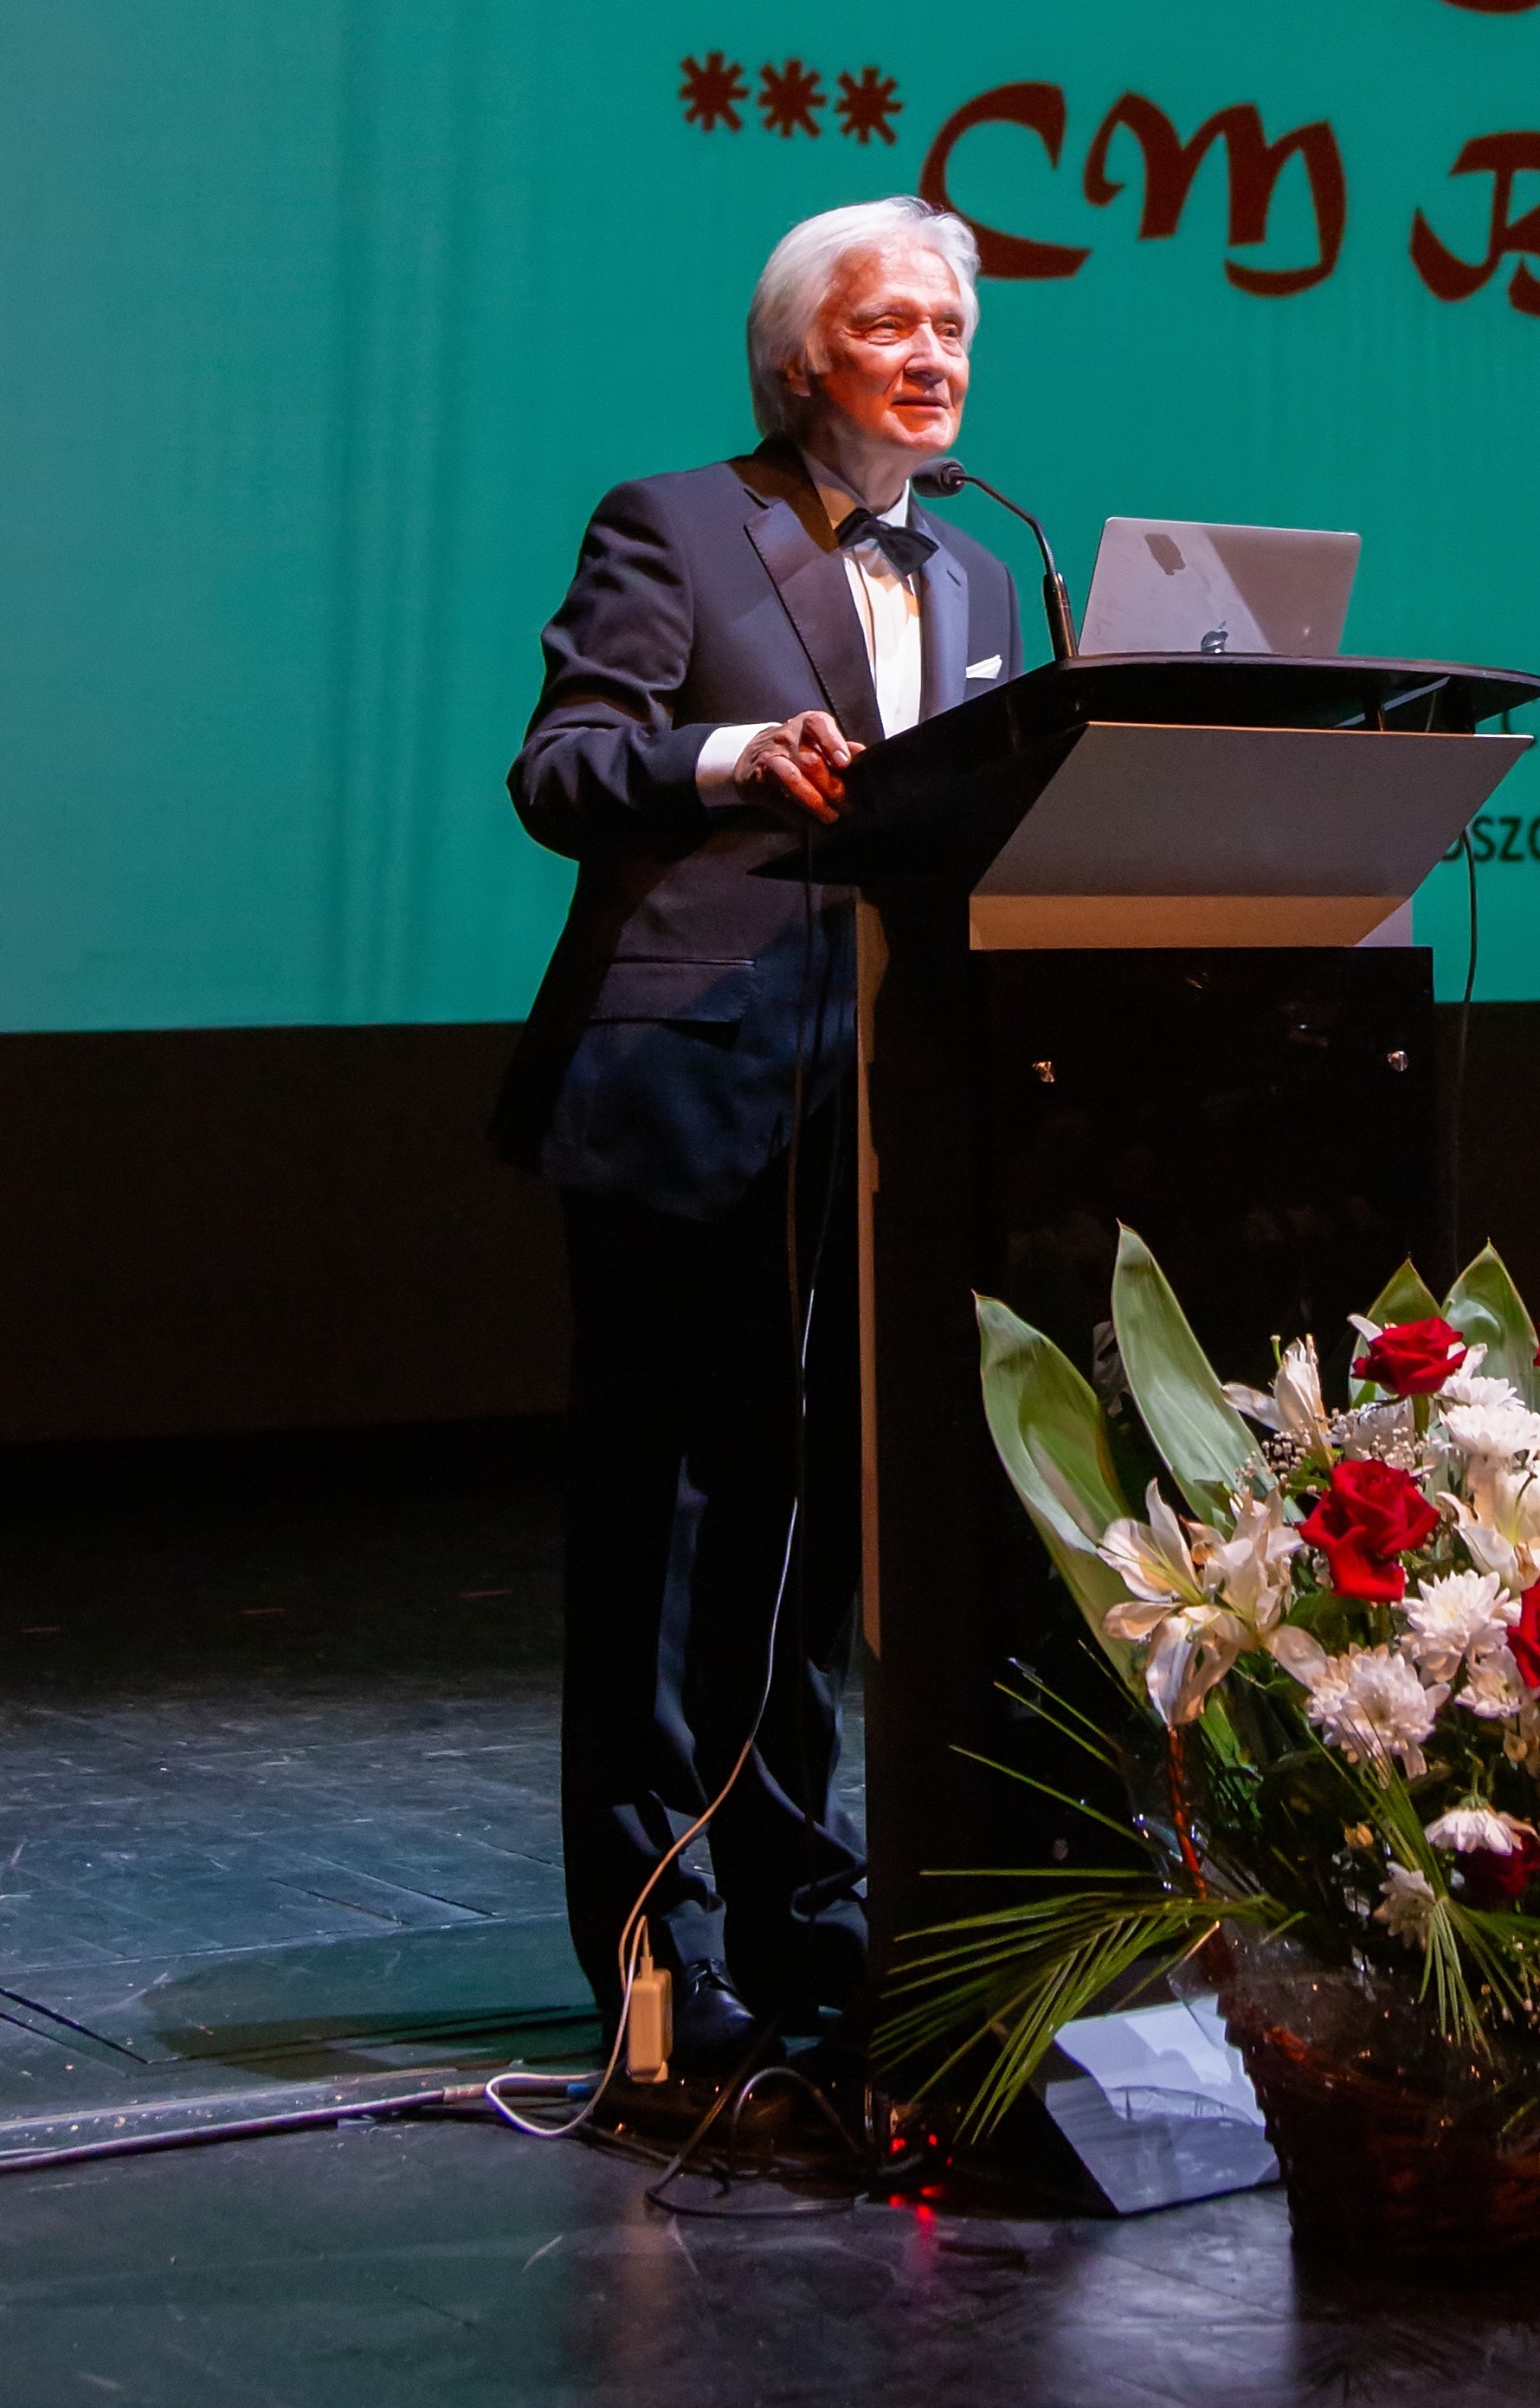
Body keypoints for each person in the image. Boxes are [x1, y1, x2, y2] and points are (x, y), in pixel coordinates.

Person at [493, 196, 1020, 2074]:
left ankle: (806, 1914)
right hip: (687, 1091)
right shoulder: (673, 521)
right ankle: (659, 1958)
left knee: (813, 1537)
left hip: (882, 1106)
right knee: (669, 1537)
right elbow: (563, 766)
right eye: (892, 325)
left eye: (952, 329)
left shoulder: (981, 575)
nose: (932, 357)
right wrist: (729, 758)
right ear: (802, 357)